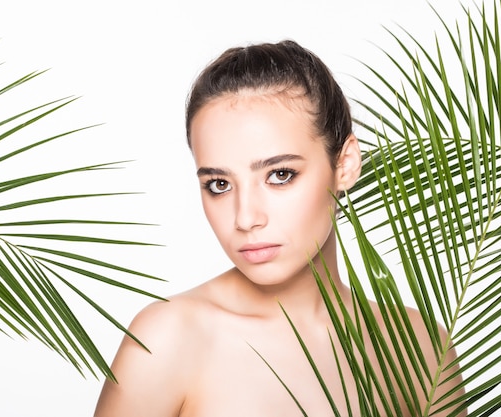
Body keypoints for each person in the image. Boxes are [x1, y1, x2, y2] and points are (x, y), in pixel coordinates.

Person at [94, 40, 465, 417]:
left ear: (346, 165)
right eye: (219, 184)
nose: (245, 218)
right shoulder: (168, 340)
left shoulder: (421, 347)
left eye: (280, 175)